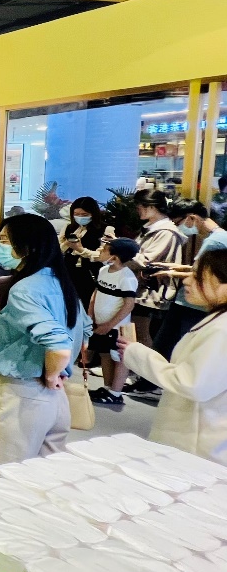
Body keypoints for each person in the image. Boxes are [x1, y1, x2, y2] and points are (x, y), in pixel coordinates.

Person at [0, 214, 88, 479]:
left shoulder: (24, 289)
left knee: (5, 475)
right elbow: (83, 330)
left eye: (4, 240)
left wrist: (51, 374)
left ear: (27, 246)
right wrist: (5, 319)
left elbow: (59, 344)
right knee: (44, 475)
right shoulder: (59, 282)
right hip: (56, 398)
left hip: (23, 393)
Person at [122, 249, 227, 466]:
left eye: (198, 277)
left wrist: (137, 354)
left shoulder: (222, 329)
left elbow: (192, 383)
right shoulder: (218, 321)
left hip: (196, 446)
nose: (187, 281)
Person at [149, 198, 227, 361]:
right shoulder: (219, 237)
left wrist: (169, 273)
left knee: (169, 349)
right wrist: (171, 267)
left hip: (193, 305)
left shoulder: (214, 241)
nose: (178, 227)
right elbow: (197, 270)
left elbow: (200, 276)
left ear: (192, 218)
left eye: (178, 223)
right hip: (194, 303)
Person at [126, 188, 186, 397]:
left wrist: (122, 252)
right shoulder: (153, 229)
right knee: (140, 333)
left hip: (151, 291)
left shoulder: (166, 232)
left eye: (141, 206)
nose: (138, 210)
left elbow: (146, 260)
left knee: (144, 335)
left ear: (153, 207)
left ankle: (150, 381)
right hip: (143, 288)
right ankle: (143, 377)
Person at [88, 237, 140, 406]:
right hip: (100, 323)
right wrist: (90, 314)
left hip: (116, 327)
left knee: (119, 357)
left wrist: (109, 325)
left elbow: (129, 304)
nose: (100, 251)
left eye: (105, 249)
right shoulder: (104, 271)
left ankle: (116, 392)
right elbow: (96, 293)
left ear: (115, 257)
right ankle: (108, 387)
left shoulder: (126, 277)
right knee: (104, 353)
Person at [60, 196, 113, 309]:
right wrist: (66, 244)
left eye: (84, 215)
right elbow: (59, 249)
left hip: (90, 273)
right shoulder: (69, 228)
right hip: (69, 271)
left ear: (93, 214)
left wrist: (81, 250)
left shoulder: (105, 229)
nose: (80, 217)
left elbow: (103, 256)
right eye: (76, 214)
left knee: (88, 304)